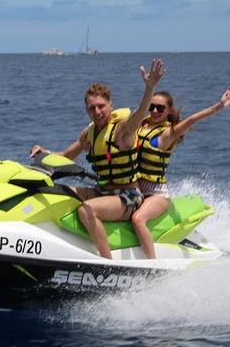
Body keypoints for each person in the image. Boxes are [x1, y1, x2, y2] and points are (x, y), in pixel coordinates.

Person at [30, 60, 166, 259]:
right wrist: (45, 152)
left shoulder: (122, 130)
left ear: (110, 105)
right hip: (102, 192)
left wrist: (150, 87)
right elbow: (67, 156)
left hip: (128, 198)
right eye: (92, 108)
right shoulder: (90, 132)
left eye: (101, 106)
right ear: (86, 110)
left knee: (86, 210)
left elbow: (140, 112)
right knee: (58, 193)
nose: (98, 112)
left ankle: (107, 261)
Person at [130, 87, 230, 258]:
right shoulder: (140, 125)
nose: (155, 111)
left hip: (156, 193)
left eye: (160, 108)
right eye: (151, 107)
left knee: (138, 220)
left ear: (169, 111)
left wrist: (219, 106)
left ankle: (152, 264)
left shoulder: (168, 134)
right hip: (134, 188)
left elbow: (192, 119)